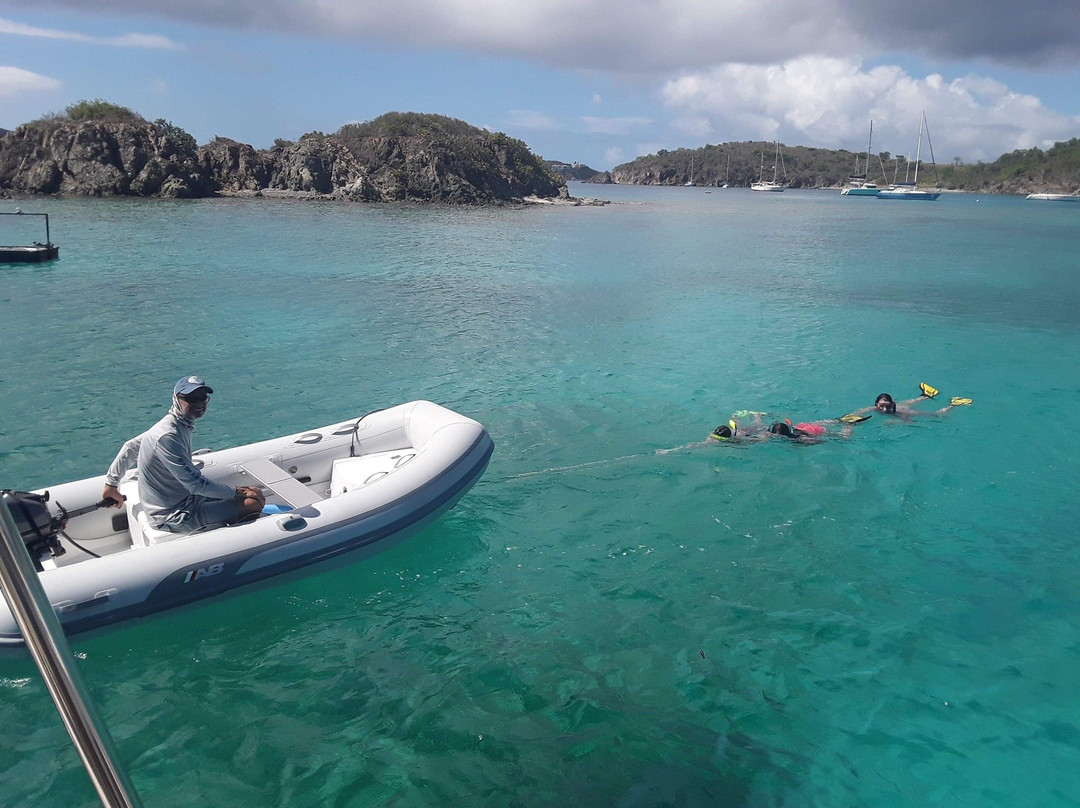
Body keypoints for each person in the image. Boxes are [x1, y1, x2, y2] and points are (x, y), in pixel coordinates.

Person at [102, 375, 265, 533]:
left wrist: (111, 484)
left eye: (203, 397)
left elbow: (130, 447)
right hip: (172, 515)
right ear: (176, 399)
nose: (199, 403)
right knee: (253, 502)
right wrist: (240, 492)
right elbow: (196, 485)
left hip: (186, 499)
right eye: (192, 398)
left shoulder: (173, 424)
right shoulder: (167, 436)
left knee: (256, 492)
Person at [853, 382, 972, 421]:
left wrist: (893, 422)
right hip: (900, 406)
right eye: (881, 406)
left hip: (904, 411)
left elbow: (909, 421)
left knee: (937, 414)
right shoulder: (874, 408)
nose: (884, 410)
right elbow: (859, 412)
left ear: (892, 404)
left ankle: (953, 404)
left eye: (887, 406)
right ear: (876, 404)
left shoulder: (897, 413)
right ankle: (926, 395)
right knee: (910, 401)